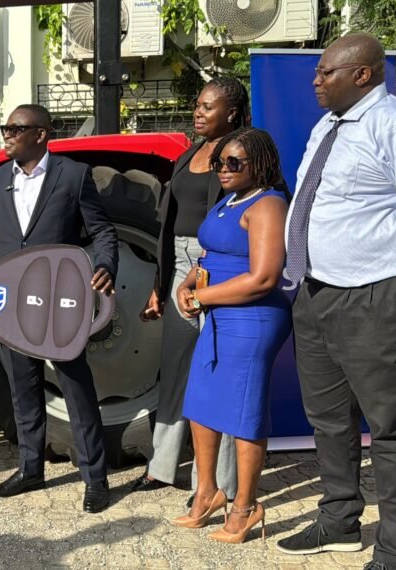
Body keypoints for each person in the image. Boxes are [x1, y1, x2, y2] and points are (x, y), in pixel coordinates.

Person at [0, 104, 118, 513]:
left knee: (76, 388)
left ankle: (95, 479)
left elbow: (101, 230)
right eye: (5, 128)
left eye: (15, 128)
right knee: (22, 386)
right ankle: (31, 469)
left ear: (41, 134)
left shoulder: (73, 175)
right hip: (13, 305)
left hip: (58, 305)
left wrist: (104, 265)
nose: (6, 134)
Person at [276, 33, 396, 570]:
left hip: (373, 295)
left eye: (327, 72)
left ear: (364, 75)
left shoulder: (390, 123)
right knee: (326, 418)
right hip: (314, 290)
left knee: (389, 425)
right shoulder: (328, 125)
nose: (316, 80)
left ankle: (395, 546)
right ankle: (339, 519)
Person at [171, 127, 291, 543]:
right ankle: (206, 493)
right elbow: (209, 254)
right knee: (201, 402)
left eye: (234, 163)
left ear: (259, 165)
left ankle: (245, 507)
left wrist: (202, 295)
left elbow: (264, 277)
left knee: (243, 412)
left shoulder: (268, 205)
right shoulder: (229, 201)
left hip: (252, 320)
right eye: (221, 162)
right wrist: (188, 285)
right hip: (218, 315)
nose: (223, 169)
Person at [133, 78, 246, 501]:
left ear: (231, 113)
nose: (198, 112)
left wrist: (211, 261)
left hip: (221, 264)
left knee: (215, 373)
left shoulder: (243, 152)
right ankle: (161, 467)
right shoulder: (187, 155)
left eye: (208, 107)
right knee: (177, 369)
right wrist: (158, 284)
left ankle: (216, 482)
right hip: (181, 263)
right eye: (197, 105)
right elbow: (168, 223)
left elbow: (261, 206)